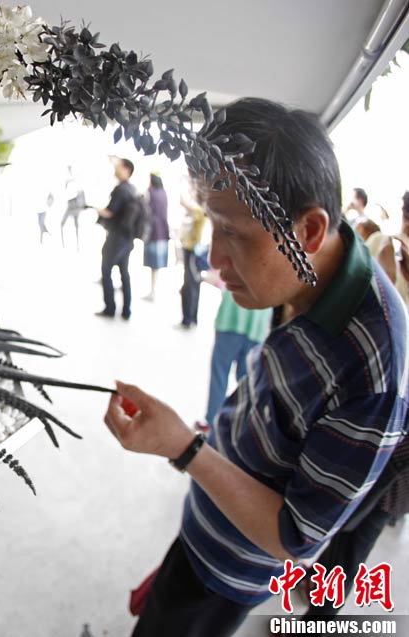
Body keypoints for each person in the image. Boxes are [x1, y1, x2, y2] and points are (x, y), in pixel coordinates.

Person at [104, 98, 408, 637]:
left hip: (232, 566)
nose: (213, 257)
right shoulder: (307, 271)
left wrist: (185, 448)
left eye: (235, 233)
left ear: (309, 230)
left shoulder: (372, 369)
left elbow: (296, 539)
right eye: (212, 226)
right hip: (209, 516)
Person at [200, 287, 271, 429]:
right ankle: (238, 427)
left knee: (220, 374)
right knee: (247, 383)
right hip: (257, 328)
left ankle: (212, 422)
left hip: (231, 320)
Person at [96, 157, 137, 319]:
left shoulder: (121, 190)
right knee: (124, 273)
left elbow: (110, 212)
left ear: (127, 170)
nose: (115, 169)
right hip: (128, 238)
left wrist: (95, 208)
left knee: (106, 270)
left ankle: (110, 308)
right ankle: (126, 310)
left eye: (119, 166)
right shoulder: (132, 189)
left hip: (116, 237)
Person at [177, 194, 206, 328]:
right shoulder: (201, 209)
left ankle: (188, 319)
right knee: (193, 285)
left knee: (190, 286)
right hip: (194, 251)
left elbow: (191, 208)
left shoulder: (200, 210)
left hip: (193, 251)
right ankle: (191, 318)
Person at [142, 173, 169, 301]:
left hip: (153, 231)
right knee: (156, 265)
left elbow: (145, 210)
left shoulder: (150, 192)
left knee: (153, 263)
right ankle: (153, 290)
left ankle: (152, 291)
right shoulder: (163, 192)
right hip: (163, 231)